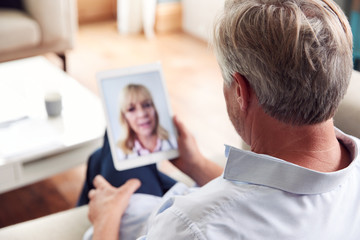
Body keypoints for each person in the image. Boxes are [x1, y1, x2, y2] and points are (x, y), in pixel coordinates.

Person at [87, 0, 360, 239]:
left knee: (107, 154)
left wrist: (105, 219)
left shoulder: (192, 227)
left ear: (241, 91)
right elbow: (279, 192)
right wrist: (197, 165)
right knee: (105, 155)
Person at [117, 84, 176, 160]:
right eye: (131, 109)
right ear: (124, 117)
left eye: (147, 105)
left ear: (154, 109)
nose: (142, 114)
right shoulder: (120, 154)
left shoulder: (174, 141)